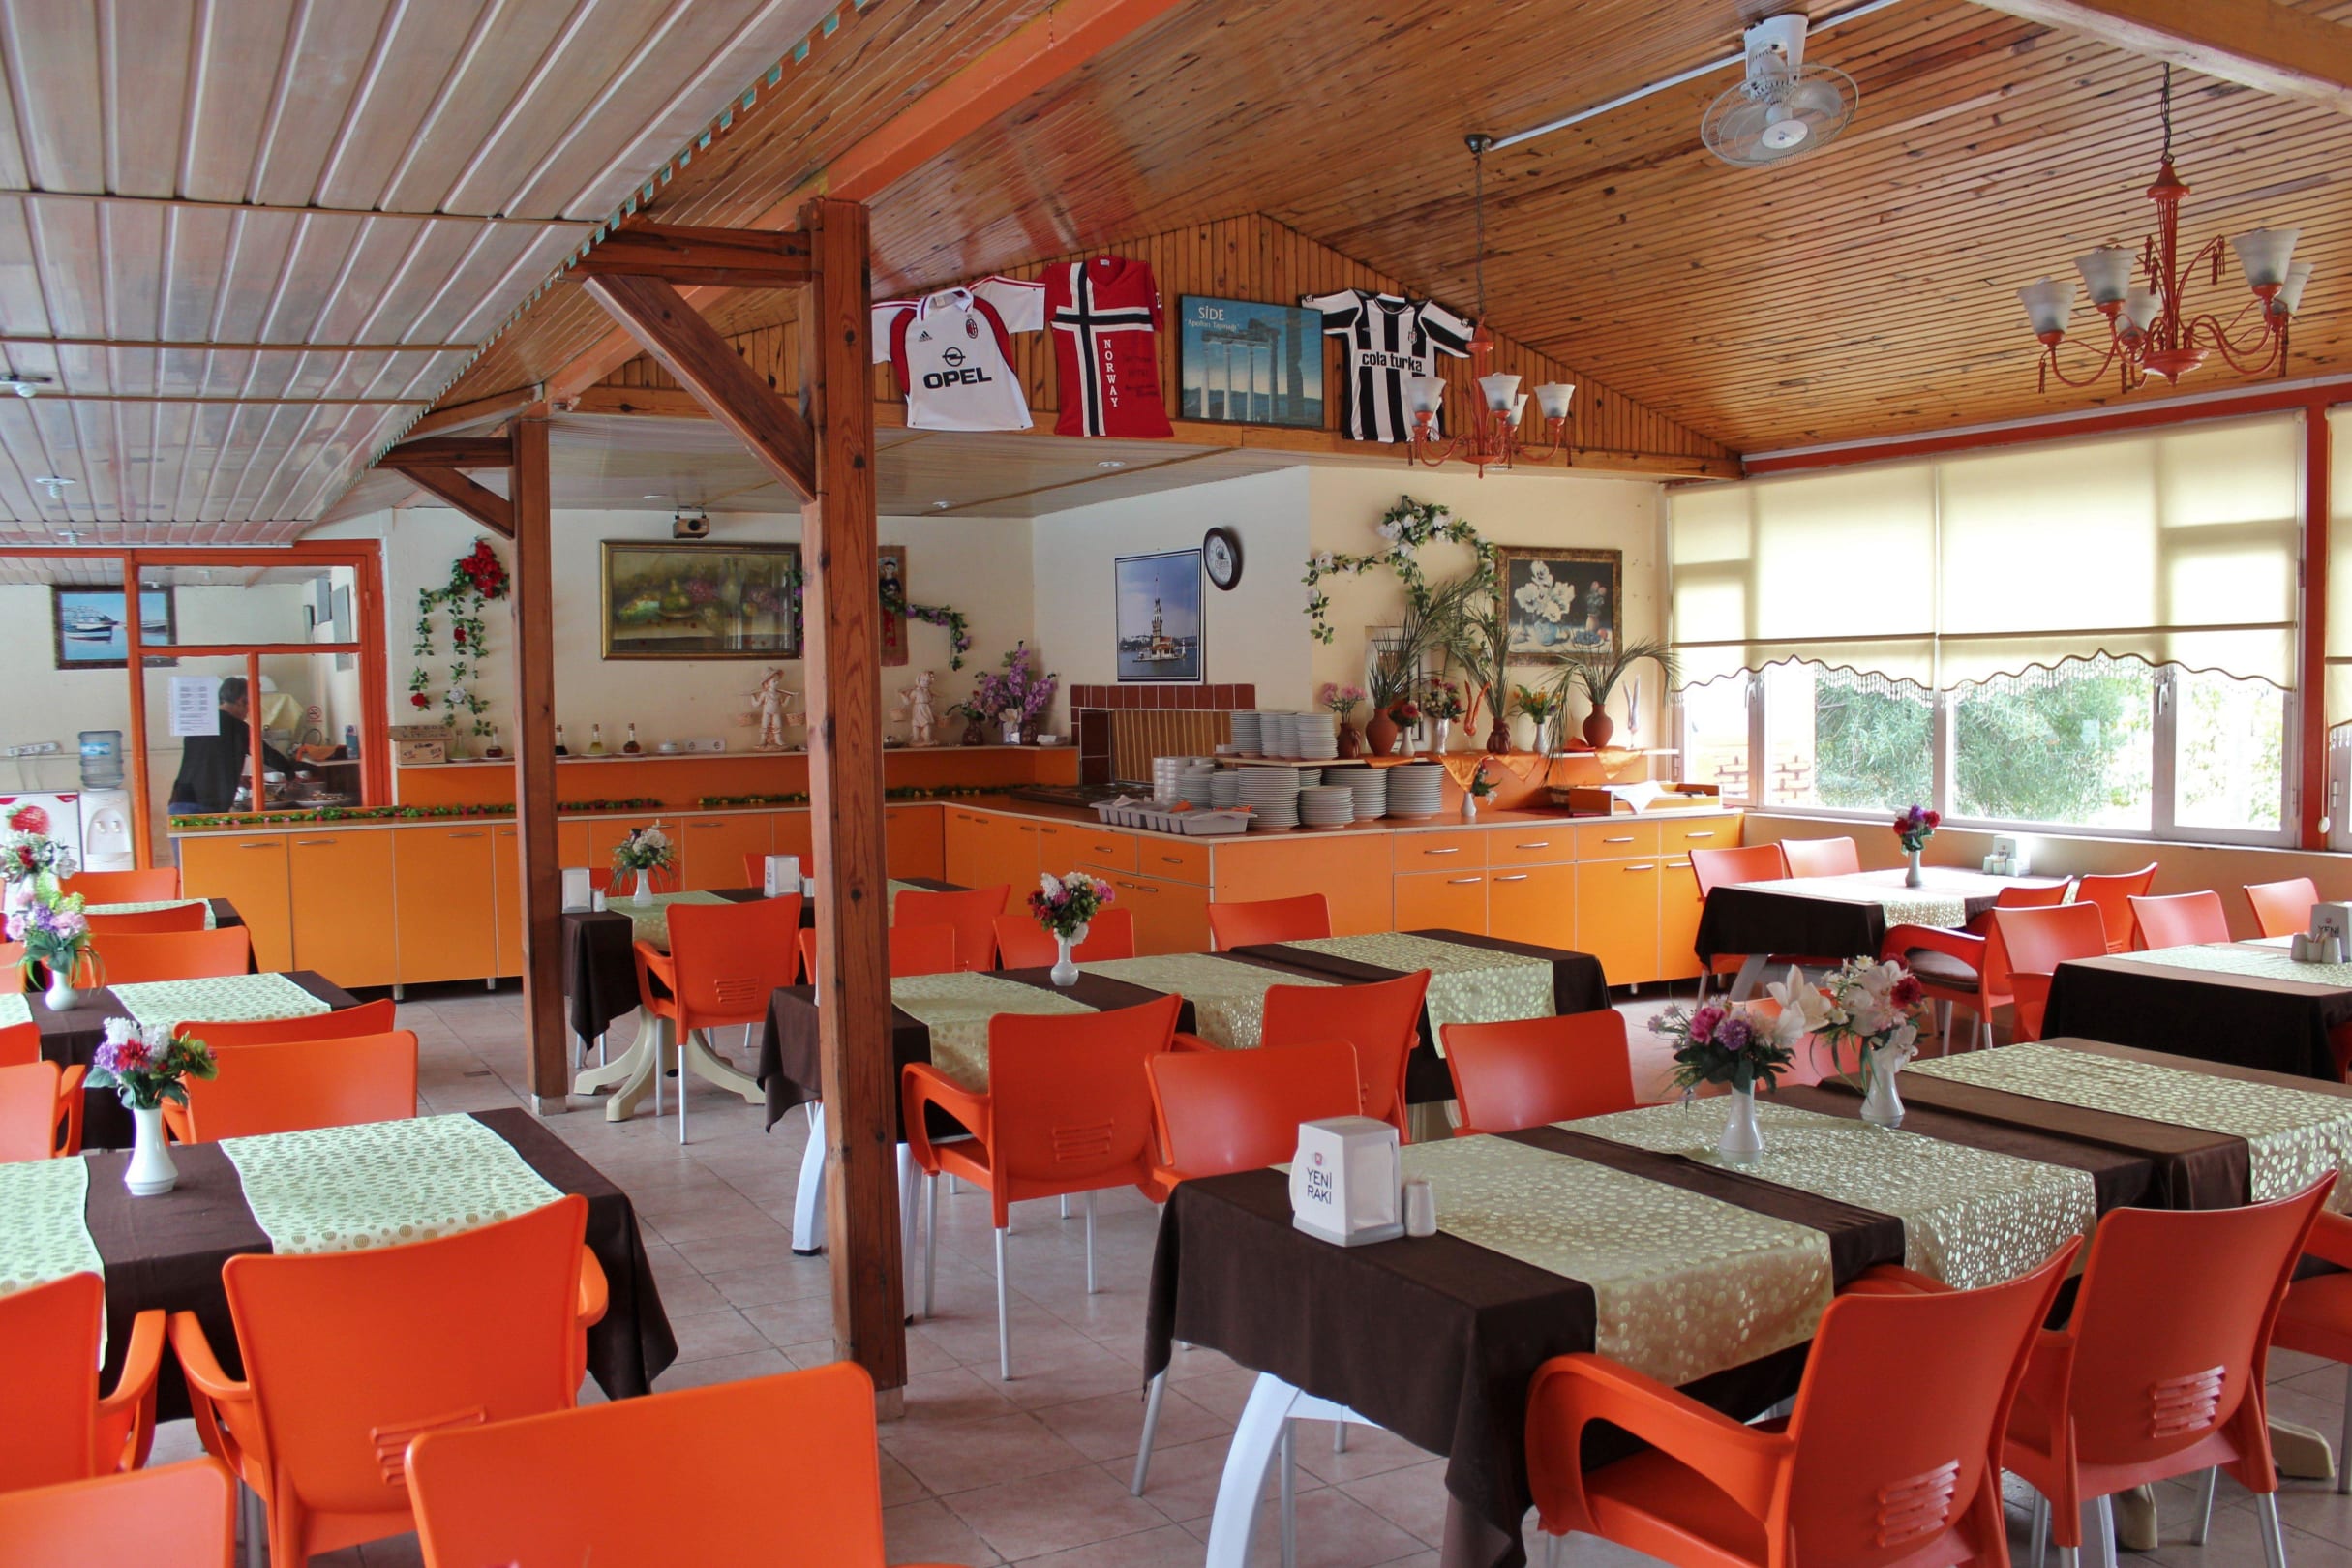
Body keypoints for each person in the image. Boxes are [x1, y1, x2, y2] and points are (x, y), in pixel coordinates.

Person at [167, 678, 301, 814]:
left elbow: (202, 762)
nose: (249, 711)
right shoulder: (237, 727)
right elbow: (265, 753)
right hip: (207, 805)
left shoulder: (200, 723)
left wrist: (235, 778)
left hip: (180, 801)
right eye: (250, 704)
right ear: (240, 700)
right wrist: (290, 773)